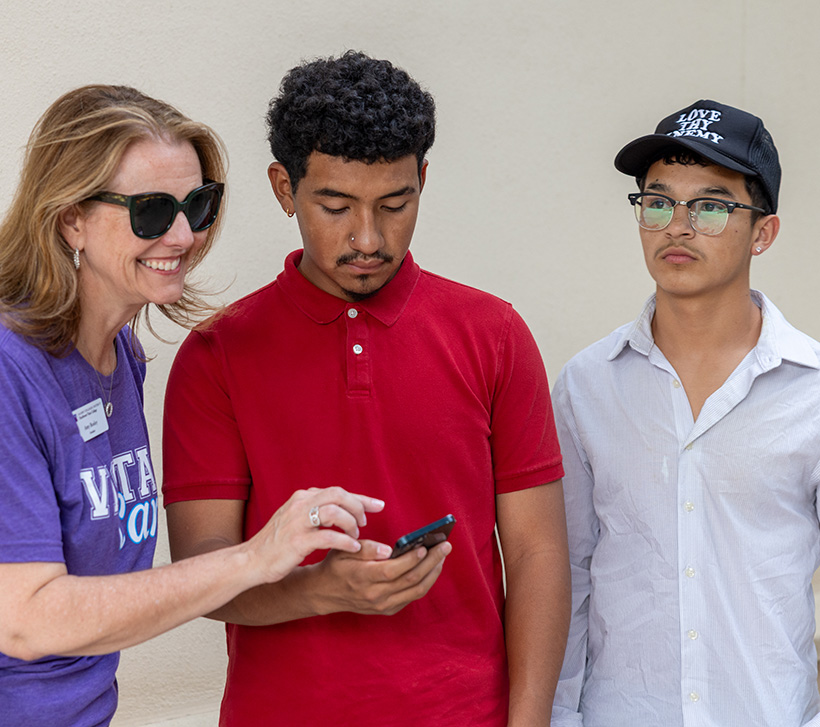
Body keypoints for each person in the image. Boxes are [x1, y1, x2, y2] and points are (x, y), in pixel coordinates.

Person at [0, 84, 383, 727]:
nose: (183, 234)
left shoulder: (120, 354)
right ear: (71, 218)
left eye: (197, 205)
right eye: (151, 212)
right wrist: (255, 557)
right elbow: (23, 620)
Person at [163, 51, 570, 727]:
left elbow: (538, 553)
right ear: (284, 188)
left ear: (423, 180)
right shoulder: (217, 355)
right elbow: (201, 571)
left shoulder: (494, 335)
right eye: (335, 205)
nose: (368, 238)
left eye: (395, 203)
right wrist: (319, 591)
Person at [551, 100, 820, 726]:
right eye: (658, 202)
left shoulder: (811, 391)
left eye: (710, 206)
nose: (677, 226)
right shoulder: (587, 386)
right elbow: (567, 578)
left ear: (763, 233)